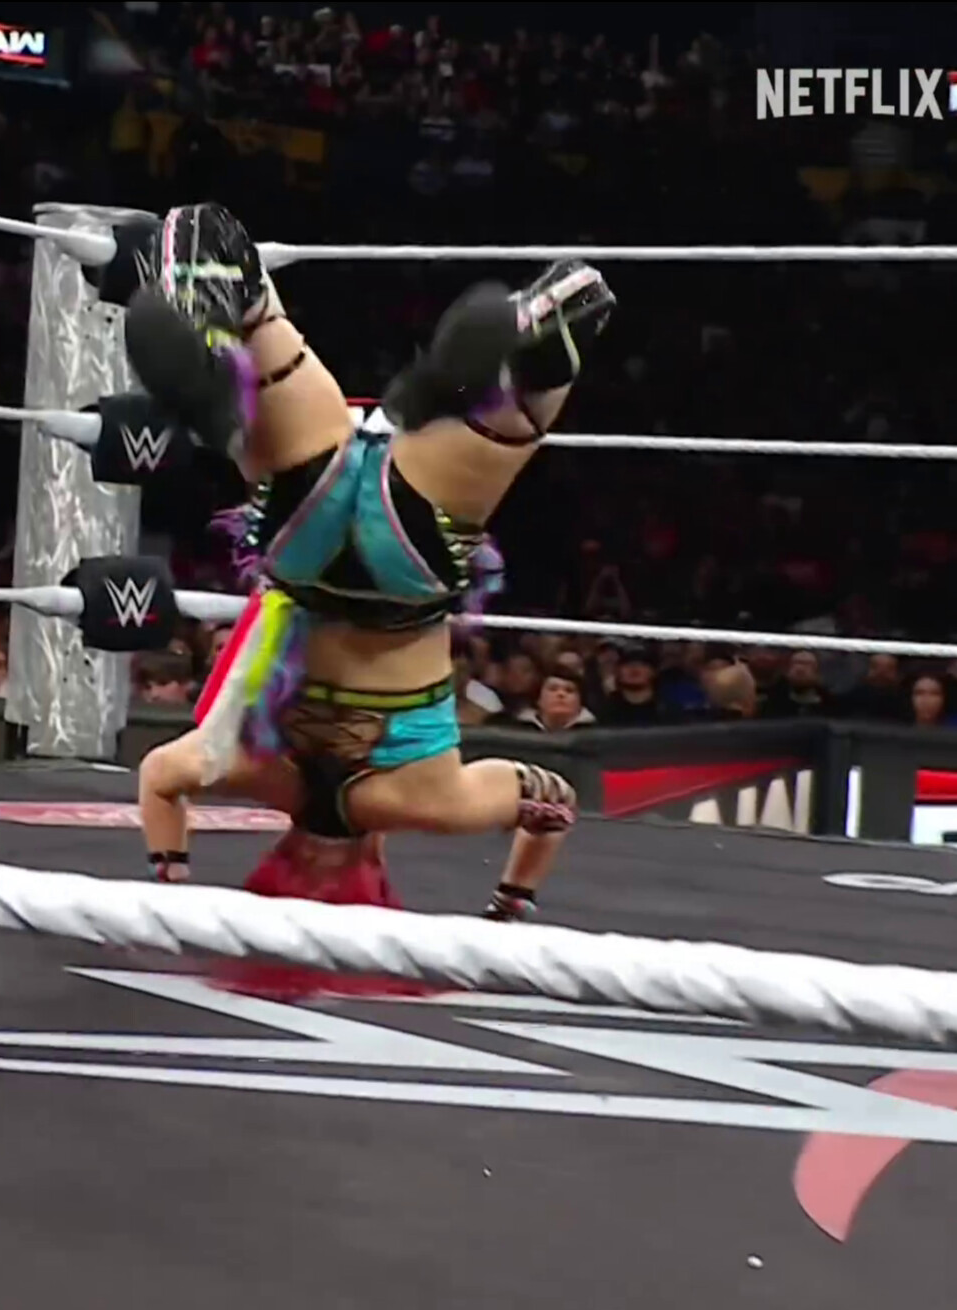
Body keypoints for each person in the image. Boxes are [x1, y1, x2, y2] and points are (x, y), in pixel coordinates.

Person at [129, 202, 614, 921]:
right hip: (306, 537)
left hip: (407, 564)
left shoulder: (424, 801)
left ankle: (518, 370)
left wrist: (512, 904)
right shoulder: (260, 774)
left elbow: (553, 804)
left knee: (515, 419)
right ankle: (229, 347)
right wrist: (169, 883)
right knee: (228, 277)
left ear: (377, 869)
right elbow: (160, 776)